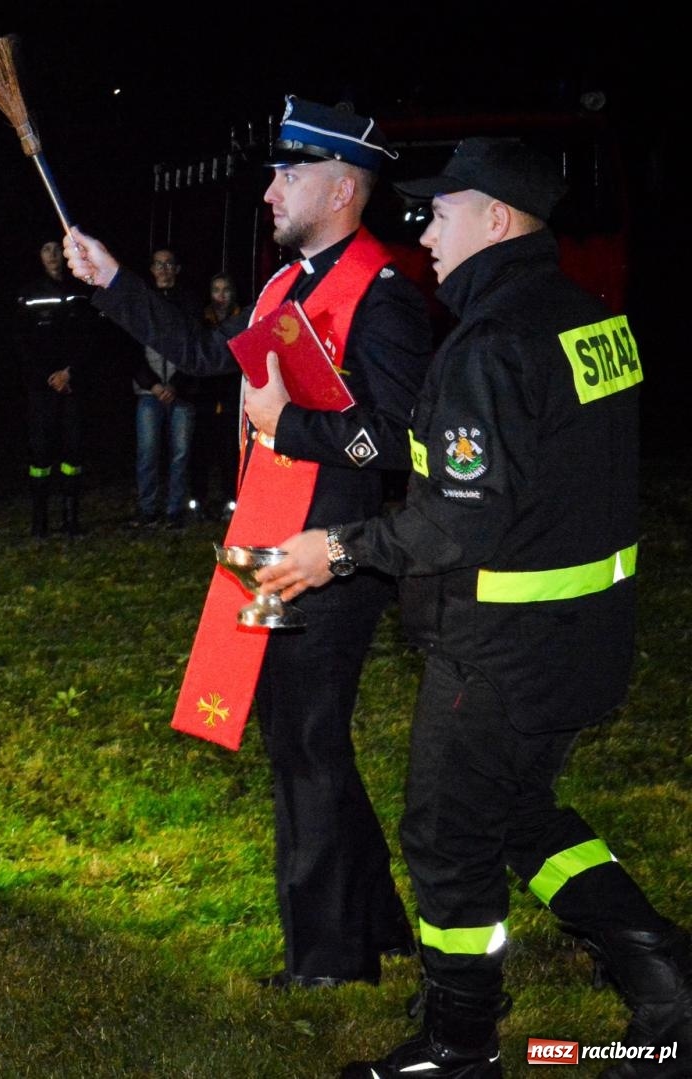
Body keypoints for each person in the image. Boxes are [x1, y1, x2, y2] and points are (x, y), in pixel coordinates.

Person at [258, 138, 688, 1078]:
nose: (425, 235)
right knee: (519, 813)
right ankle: (665, 979)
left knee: (449, 840)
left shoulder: (489, 346)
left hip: (499, 651)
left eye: (441, 215)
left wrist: (334, 549)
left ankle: (462, 1039)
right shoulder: (586, 316)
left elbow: (454, 527)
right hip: (586, 637)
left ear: (497, 220)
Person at [64, 96, 433, 988]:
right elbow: (199, 352)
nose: (269, 189)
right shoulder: (283, 287)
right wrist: (115, 283)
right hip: (268, 543)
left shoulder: (381, 297)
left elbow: (403, 437)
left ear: (342, 187)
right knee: (302, 741)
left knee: (307, 744)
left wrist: (292, 426)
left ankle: (329, 963)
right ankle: (376, 922)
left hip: (334, 559)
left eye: (288, 173)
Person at [15, 239, 95, 537]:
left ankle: (70, 519)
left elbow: (88, 339)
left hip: (72, 386)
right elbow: (22, 342)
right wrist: (48, 375)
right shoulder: (29, 293)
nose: (52, 255)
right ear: (39, 255)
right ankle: (39, 521)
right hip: (41, 388)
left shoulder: (79, 291)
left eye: (55, 249)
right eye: (45, 249)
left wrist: (69, 373)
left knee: (73, 451)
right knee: (41, 454)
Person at [127, 249, 200, 530]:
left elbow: (196, 347)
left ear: (177, 269)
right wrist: (153, 384)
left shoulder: (189, 302)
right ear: (152, 269)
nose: (164, 269)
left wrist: (177, 384)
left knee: (180, 454)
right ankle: (148, 509)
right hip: (149, 393)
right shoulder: (142, 302)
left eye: (169, 264)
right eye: (159, 264)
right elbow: (131, 351)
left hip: (182, 392)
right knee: (147, 453)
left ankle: (174, 511)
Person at [192, 273, 245, 522]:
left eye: (225, 290)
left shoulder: (242, 319)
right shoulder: (202, 319)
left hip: (233, 398)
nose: (221, 296)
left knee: (230, 454)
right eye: (216, 290)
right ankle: (197, 502)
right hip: (204, 397)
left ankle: (230, 501)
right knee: (200, 452)